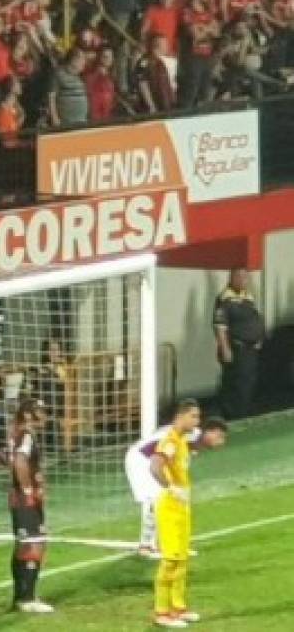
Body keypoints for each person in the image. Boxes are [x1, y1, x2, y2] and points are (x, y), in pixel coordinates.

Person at [125, 414, 228, 558]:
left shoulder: (193, 443)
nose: (221, 442)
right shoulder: (189, 436)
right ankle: (146, 546)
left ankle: (170, 545)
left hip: (155, 460)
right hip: (141, 459)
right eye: (219, 436)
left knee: (173, 499)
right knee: (155, 499)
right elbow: (163, 449)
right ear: (207, 431)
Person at [150, 400, 204, 628]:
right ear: (180, 416)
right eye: (193, 416)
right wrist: (170, 487)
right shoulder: (170, 440)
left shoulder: (181, 440)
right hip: (170, 507)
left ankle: (178, 608)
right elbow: (154, 466)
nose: (197, 421)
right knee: (170, 560)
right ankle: (161, 612)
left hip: (181, 506)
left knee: (181, 559)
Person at [7, 398, 53, 614]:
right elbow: (19, 461)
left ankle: (20, 596)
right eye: (39, 411)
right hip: (24, 498)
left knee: (25, 544)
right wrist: (28, 489)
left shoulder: (18, 434)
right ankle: (27, 598)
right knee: (34, 544)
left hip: (18, 497)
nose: (43, 415)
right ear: (27, 415)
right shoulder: (25, 436)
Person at [213, 269, 265, 420]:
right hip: (236, 348)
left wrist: (258, 338)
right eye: (240, 277)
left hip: (251, 349)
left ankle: (244, 413)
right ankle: (232, 416)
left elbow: (255, 318)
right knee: (234, 383)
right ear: (232, 278)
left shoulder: (248, 297)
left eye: (246, 277)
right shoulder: (225, 298)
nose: (244, 280)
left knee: (248, 383)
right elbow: (220, 326)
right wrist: (225, 348)